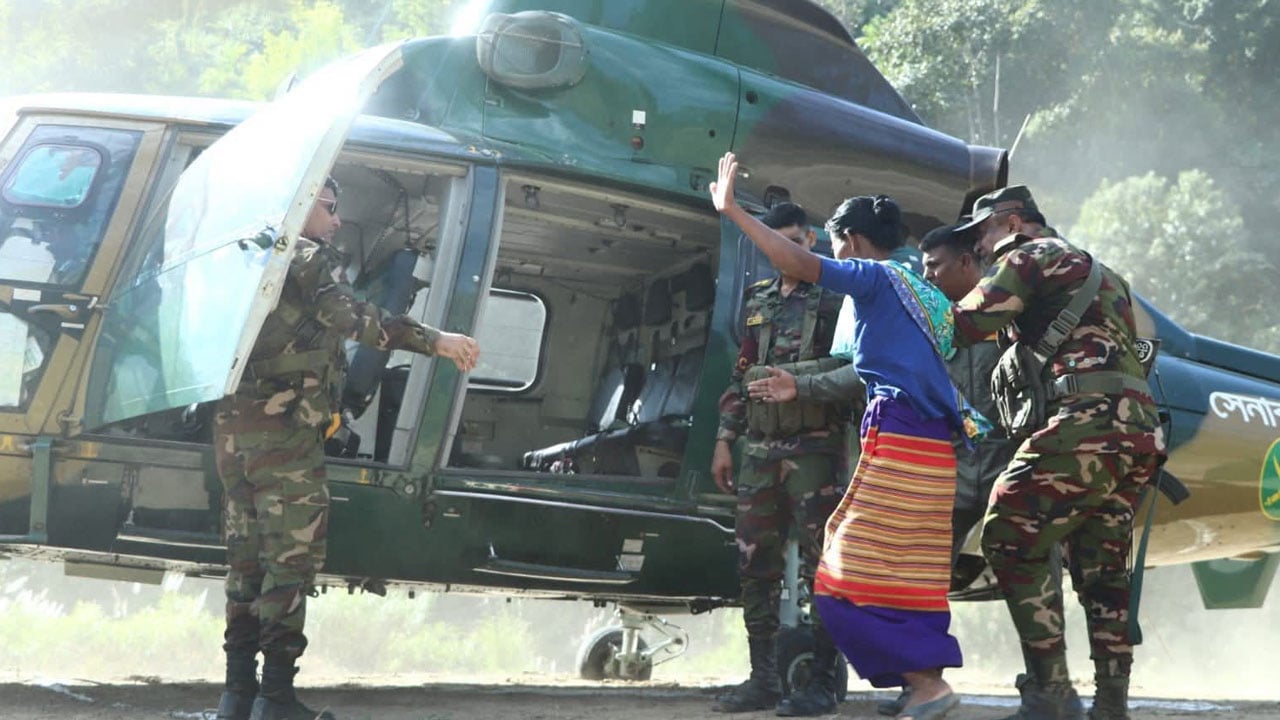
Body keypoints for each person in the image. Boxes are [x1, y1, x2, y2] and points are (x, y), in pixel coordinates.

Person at [712, 151, 967, 720]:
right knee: (903, 567)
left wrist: (732, 211)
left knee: (841, 573)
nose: (829, 255)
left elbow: (796, 263)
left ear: (849, 241)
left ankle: (924, 684)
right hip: (927, 441)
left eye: (831, 244)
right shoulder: (921, 290)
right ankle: (922, 683)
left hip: (899, 435)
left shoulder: (874, 277)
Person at [214, 177, 479, 720]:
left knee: (245, 565)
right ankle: (276, 700)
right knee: (289, 565)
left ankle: (237, 696)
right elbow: (358, 321)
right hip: (284, 436)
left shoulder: (245, 256)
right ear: (302, 203)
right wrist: (437, 340)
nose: (336, 221)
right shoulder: (305, 257)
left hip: (233, 435)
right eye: (330, 208)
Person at [950, 186, 1166, 720]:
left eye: (981, 234)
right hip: (1136, 430)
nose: (978, 248)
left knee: (1006, 532)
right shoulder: (1105, 274)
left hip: (1085, 421)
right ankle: (1111, 705)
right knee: (1102, 568)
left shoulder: (1027, 257)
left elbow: (966, 324)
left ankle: (1050, 691)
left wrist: (911, 302)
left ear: (1012, 222)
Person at [710, 202, 851, 716]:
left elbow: (852, 367)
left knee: (823, 567)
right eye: (777, 241)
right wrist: (725, 439)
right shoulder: (759, 299)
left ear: (811, 241)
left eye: (796, 240)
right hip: (760, 451)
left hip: (815, 449)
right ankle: (763, 679)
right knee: (754, 563)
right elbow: (741, 373)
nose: (787, 250)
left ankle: (821, 682)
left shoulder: (837, 297)